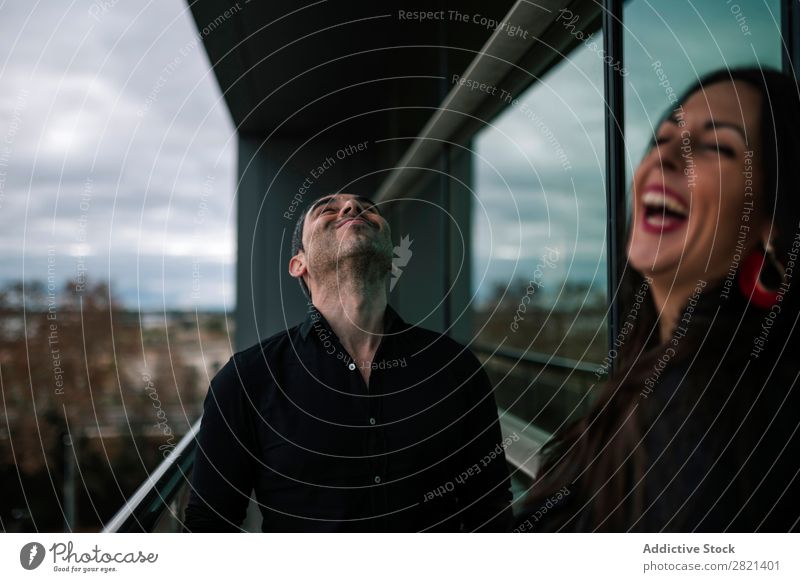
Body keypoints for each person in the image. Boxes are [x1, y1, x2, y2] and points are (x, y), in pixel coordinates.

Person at [516, 67, 800, 532]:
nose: (666, 158)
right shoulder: (656, 366)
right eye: (663, 138)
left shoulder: (708, 396)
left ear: (771, 223)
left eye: (716, 147)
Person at [184, 193, 513, 532]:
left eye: (368, 209)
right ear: (299, 264)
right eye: (327, 210)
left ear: (391, 258)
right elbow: (209, 523)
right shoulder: (246, 379)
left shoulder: (456, 367)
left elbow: (490, 504)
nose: (352, 209)